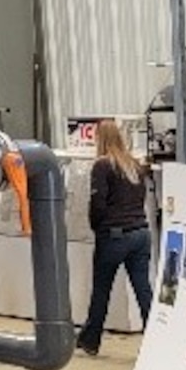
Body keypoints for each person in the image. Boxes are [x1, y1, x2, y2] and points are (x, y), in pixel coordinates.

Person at [78, 119, 153, 355]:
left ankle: (91, 340)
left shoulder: (102, 166)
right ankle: (156, 340)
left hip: (115, 235)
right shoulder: (134, 165)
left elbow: (98, 205)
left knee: (102, 289)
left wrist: (96, 228)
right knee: (143, 288)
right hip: (141, 232)